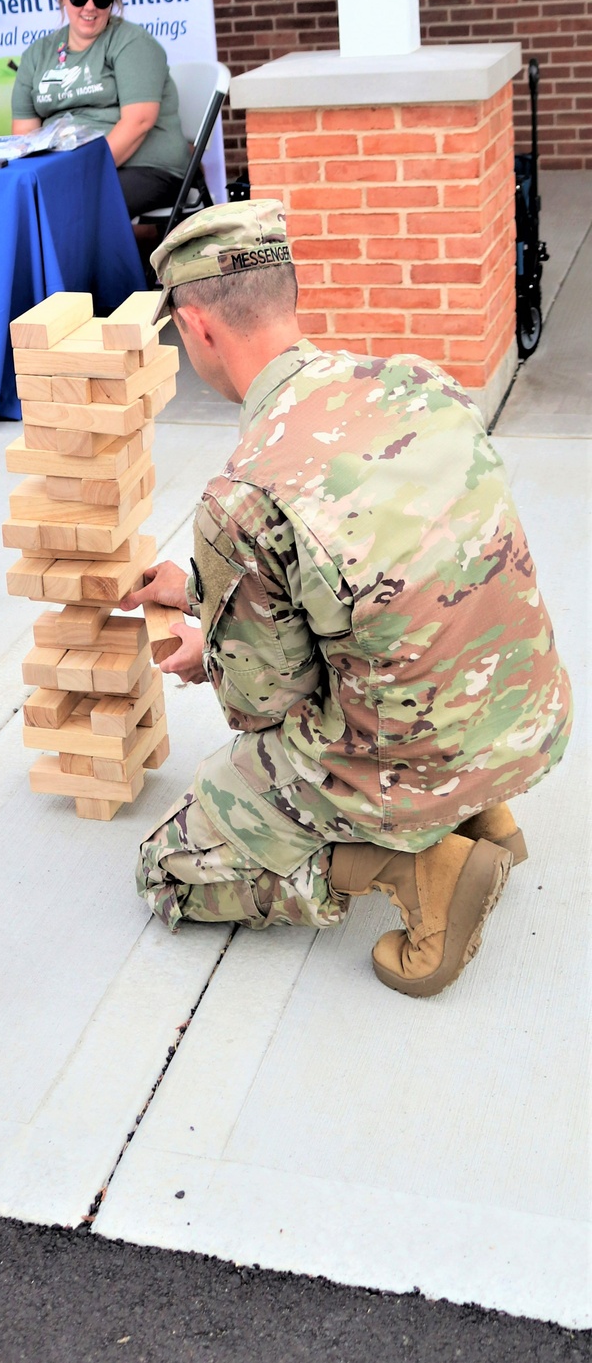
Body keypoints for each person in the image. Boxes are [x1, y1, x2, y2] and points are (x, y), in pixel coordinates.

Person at [123, 201, 571, 998]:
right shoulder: (419, 382)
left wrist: (209, 656)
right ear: (288, 295)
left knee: (166, 869)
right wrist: (202, 593)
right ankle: (480, 812)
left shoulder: (243, 490)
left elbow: (264, 709)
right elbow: (399, 576)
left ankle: (420, 861)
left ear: (197, 329)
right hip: (525, 719)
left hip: (411, 760)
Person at [11, 0, 187, 220]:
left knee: (69, 203)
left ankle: (107, 264)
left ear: (113, 2)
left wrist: (81, 173)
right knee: (19, 203)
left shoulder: (131, 43)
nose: (89, 7)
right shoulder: (38, 53)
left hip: (144, 167)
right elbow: (25, 134)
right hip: (66, 168)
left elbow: (138, 122)